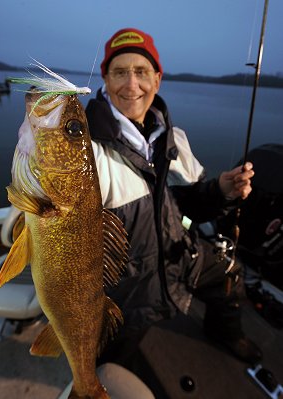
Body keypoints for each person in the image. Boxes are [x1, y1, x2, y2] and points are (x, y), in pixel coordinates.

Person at [85, 27, 262, 367]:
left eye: (141, 72)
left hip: (180, 257)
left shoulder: (174, 137)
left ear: (158, 78)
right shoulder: (84, 150)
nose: (132, 84)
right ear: (105, 78)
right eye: (120, 72)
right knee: (108, 364)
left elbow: (183, 204)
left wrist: (220, 191)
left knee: (230, 273)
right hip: (128, 288)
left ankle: (225, 332)